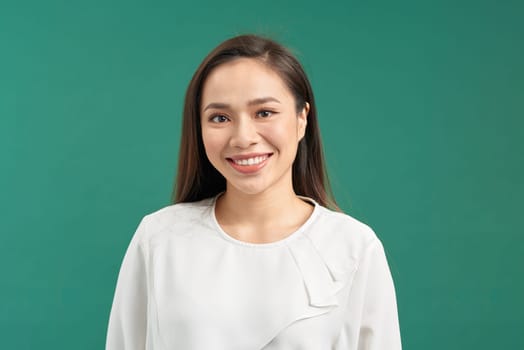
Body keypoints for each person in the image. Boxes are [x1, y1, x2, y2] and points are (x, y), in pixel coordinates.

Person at [106, 34, 402, 350]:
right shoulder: (159, 239)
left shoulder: (354, 249)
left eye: (264, 113)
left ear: (302, 118)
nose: (243, 137)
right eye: (220, 118)